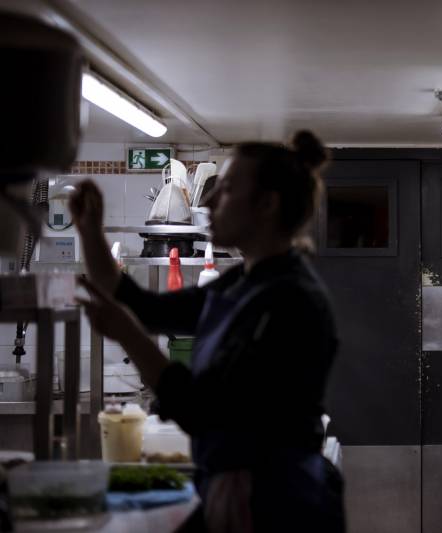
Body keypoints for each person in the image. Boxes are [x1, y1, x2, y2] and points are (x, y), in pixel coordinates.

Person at [70, 131, 345, 533]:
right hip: (236, 489)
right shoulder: (244, 283)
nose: (210, 202)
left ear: (267, 205)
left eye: (228, 190)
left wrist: (130, 338)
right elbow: (142, 307)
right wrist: (89, 231)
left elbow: (207, 411)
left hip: (277, 503)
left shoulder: (290, 301)